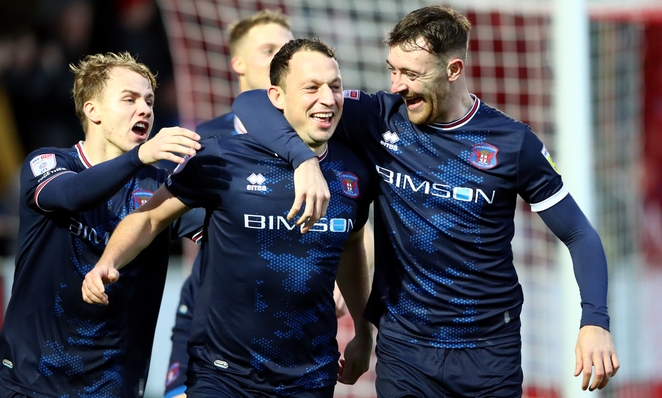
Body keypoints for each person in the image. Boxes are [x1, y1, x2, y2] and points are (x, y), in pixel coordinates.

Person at [231, 5, 620, 397]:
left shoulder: (512, 144)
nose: (398, 85)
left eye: (412, 74)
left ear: (453, 70)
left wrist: (595, 322)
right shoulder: (378, 118)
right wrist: (303, 162)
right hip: (405, 349)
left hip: (488, 352)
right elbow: (251, 103)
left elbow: (579, 234)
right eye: (393, 69)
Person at [82, 38, 374, 398]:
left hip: (311, 376)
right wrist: (107, 262)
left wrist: (363, 330)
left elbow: (352, 245)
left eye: (335, 87)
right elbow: (151, 217)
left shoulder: (354, 172)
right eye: (311, 88)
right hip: (224, 375)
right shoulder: (221, 157)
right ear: (277, 97)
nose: (327, 99)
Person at [162, 10, 365, 397]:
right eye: (269, 49)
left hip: (298, 356)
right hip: (216, 332)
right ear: (238, 62)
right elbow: (162, 212)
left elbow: (356, 227)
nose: (279, 57)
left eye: (285, 48)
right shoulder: (209, 138)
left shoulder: (328, 131)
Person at [0, 51, 202, 397]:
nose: (144, 109)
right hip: (26, 381)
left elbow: (228, 237)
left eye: (149, 101)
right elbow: (71, 196)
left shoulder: (160, 188)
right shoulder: (48, 162)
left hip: (109, 388)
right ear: (92, 109)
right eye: (129, 99)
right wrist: (139, 157)